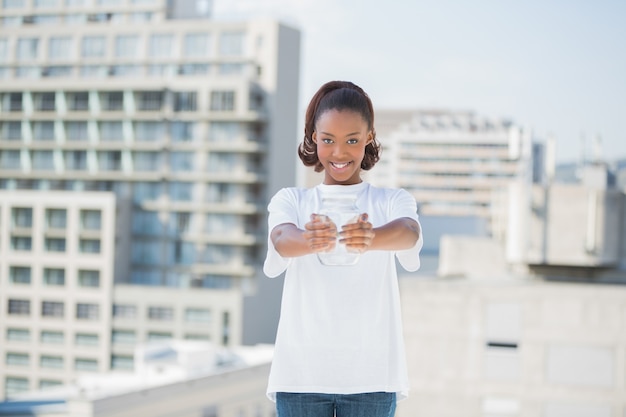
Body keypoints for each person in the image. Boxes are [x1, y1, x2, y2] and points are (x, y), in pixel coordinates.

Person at [263, 80, 423, 417]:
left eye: (352, 140)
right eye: (328, 140)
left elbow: (409, 233)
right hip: (300, 377)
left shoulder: (392, 200)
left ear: (368, 138)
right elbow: (281, 240)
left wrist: (372, 238)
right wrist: (309, 240)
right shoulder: (292, 199)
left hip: (372, 378)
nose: (339, 153)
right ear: (313, 139)